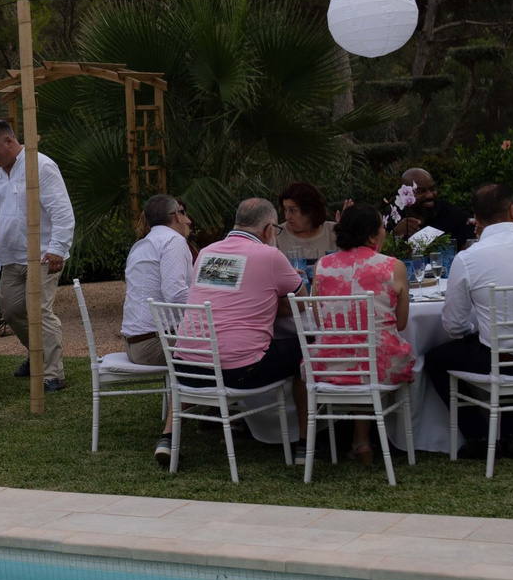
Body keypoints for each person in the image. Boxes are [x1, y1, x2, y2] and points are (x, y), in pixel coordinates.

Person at [420, 183, 513, 454]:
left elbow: (454, 325)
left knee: (435, 359)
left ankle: (479, 437)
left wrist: (475, 331)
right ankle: (510, 433)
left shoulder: (469, 258)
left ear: (475, 220)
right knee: (504, 344)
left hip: (500, 360)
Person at [166, 198, 305, 463]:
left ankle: (168, 436)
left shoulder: (208, 252)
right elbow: (301, 301)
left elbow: (228, 292)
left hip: (187, 370)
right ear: (268, 230)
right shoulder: (270, 255)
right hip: (238, 372)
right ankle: (307, 444)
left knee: (225, 347)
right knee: (304, 351)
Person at [0, 118, 75, 391]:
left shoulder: (41, 166)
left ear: (9, 141)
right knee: (12, 310)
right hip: (11, 255)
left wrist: (57, 249)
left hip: (43, 254)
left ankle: (53, 375)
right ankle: (37, 354)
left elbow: (62, 212)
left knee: (39, 310)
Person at [313, 203, 415, 463]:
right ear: (372, 236)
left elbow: (319, 321)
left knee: (359, 353)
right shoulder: (393, 266)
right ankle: (393, 440)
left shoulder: (322, 266)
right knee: (379, 353)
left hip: (330, 366)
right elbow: (401, 323)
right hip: (380, 367)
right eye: (382, 228)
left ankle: (361, 442)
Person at [118, 194, 193, 368]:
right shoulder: (173, 241)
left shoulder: (141, 245)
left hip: (134, 345)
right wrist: (212, 302)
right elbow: (175, 294)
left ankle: (177, 395)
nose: (187, 220)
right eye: (183, 213)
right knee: (227, 343)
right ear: (176, 216)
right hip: (156, 346)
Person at [398, 168, 473, 243]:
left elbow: (470, 248)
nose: (429, 195)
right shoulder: (394, 217)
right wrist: (396, 234)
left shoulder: (454, 215)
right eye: (420, 191)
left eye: (432, 189)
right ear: (404, 194)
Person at [276, 182, 334, 262]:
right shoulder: (277, 235)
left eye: (293, 211)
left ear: (309, 211)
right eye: (285, 210)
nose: (287, 217)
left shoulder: (333, 232)